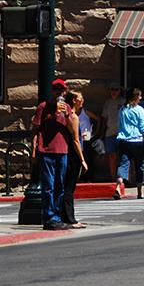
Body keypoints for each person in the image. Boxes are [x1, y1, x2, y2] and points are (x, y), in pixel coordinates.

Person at [32, 78, 72, 230]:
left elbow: (72, 129)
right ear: (52, 91)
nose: (59, 93)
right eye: (57, 89)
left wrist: (65, 115)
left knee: (59, 186)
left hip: (63, 150)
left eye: (62, 90)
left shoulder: (66, 107)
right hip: (47, 150)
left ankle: (57, 215)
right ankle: (49, 218)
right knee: (48, 186)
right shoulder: (43, 107)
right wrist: (34, 150)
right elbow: (35, 130)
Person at [115, 87, 144, 199]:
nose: (140, 98)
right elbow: (142, 127)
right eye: (139, 96)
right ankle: (139, 192)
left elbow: (120, 125)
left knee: (123, 164)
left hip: (124, 140)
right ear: (135, 97)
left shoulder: (122, 110)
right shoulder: (139, 110)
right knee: (139, 166)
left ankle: (118, 186)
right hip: (137, 140)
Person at [62, 91, 89, 229]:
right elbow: (76, 140)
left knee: (66, 187)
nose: (82, 100)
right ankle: (70, 219)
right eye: (80, 98)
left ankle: (66, 216)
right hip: (74, 156)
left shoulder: (69, 116)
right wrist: (82, 160)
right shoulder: (74, 117)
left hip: (68, 154)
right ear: (73, 100)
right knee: (69, 188)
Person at [101, 82, 125, 179]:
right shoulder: (107, 102)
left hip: (122, 133)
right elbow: (104, 118)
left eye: (116, 90)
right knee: (111, 156)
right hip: (110, 132)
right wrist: (101, 133)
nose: (114, 92)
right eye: (112, 90)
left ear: (119, 91)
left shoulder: (123, 102)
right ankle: (113, 177)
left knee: (123, 157)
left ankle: (122, 178)